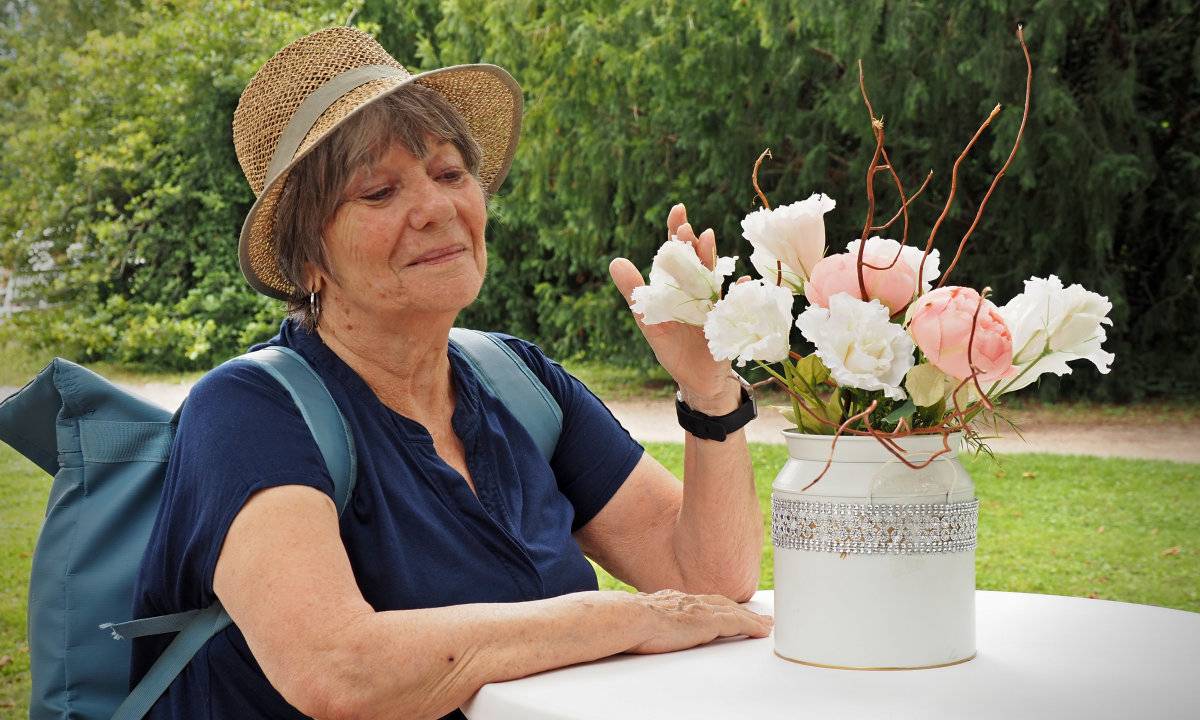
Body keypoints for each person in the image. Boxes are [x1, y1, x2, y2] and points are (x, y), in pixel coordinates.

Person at [129, 26, 769, 720]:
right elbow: (338, 668)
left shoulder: (517, 379)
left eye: (450, 174)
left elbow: (708, 579)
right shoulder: (247, 411)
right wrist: (621, 618)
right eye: (379, 191)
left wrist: (709, 392)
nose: (437, 209)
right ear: (308, 259)